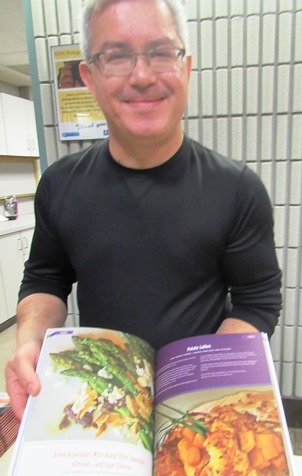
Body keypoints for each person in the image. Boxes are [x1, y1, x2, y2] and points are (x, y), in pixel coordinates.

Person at [6, 0, 282, 420]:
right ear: (90, 77)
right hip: (108, 404)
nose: (141, 76)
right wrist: (29, 340)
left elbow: (256, 301)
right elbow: (47, 277)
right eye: (116, 56)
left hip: (197, 406)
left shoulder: (238, 189)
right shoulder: (60, 184)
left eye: (160, 52)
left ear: (186, 68)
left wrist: (202, 386)